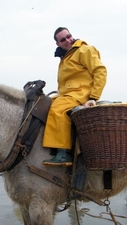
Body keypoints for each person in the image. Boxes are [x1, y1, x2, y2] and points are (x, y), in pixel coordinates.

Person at [42, 27, 107, 166]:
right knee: (43, 104)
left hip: (80, 93)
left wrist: (93, 97)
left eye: (68, 36)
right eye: (63, 39)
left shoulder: (84, 50)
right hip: (67, 94)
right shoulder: (66, 57)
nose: (68, 40)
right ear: (57, 44)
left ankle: (63, 153)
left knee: (58, 109)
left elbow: (100, 71)